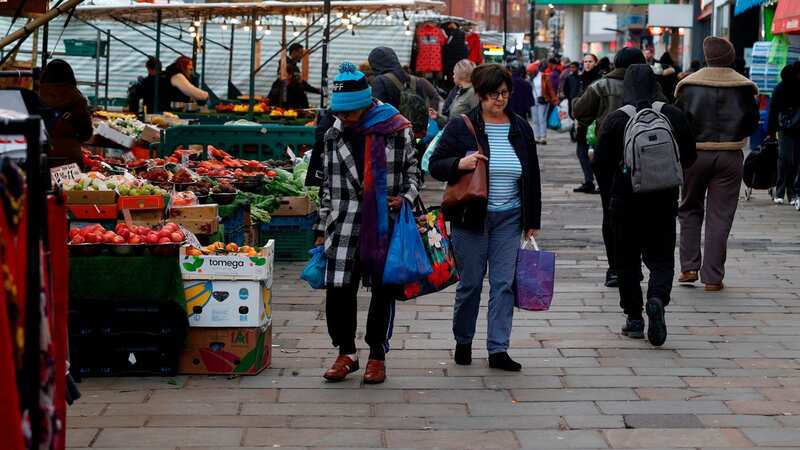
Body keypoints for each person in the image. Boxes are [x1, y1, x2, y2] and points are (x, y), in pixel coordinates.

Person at [429, 64, 541, 372]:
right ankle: (463, 340)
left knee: (504, 284)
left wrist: (532, 218)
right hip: (471, 217)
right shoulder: (461, 126)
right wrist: (459, 163)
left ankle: (498, 349)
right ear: (480, 95)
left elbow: (532, 174)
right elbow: (435, 164)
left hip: (510, 218)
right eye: (493, 95)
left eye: (504, 94)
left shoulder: (520, 127)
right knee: (471, 284)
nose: (500, 100)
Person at [314, 63, 419, 384]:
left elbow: (413, 174)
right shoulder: (332, 132)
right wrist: (320, 231)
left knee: (383, 290)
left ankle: (377, 354)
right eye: (340, 113)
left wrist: (406, 199)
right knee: (338, 290)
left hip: (383, 224)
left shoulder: (396, 128)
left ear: (364, 105)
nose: (343, 119)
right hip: (342, 223)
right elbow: (326, 186)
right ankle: (346, 352)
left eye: (348, 113)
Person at [594, 64, 696, 347]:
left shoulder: (616, 119)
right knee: (662, 257)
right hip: (663, 199)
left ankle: (635, 318)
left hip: (624, 201)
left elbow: (600, 163)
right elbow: (689, 156)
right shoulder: (672, 114)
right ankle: (657, 297)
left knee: (626, 261)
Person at [573, 48, 666, 286]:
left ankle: (616, 268)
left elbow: (579, 111)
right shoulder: (653, 88)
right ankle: (644, 264)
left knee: (612, 212)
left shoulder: (601, 86)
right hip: (648, 158)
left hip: (609, 159)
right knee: (648, 212)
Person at [675, 37, 759, 292]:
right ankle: (713, 277)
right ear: (731, 57)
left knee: (689, 208)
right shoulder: (744, 87)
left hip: (695, 155)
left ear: (707, 56)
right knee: (720, 215)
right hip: (730, 155)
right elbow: (752, 123)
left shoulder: (688, 85)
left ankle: (689, 267)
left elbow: (679, 121)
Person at [38, 59, 93, 168]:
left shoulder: (36, 98)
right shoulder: (78, 100)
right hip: (71, 162)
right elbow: (86, 134)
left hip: (42, 159)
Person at [568, 53, 602, 194]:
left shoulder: (599, 79)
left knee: (595, 153)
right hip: (582, 123)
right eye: (585, 61)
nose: (587, 64)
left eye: (590, 61)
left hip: (595, 122)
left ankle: (599, 182)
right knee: (581, 152)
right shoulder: (580, 79)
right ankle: (589, 181)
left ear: (595, 63)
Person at [368, 47, 442, 111]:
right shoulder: (419, 80)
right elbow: (435, 97)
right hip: (418, 126)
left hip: (395, 126)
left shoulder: (380, 81)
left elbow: (377, 108)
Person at [767, 61, 800, 208]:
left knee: (794, 161)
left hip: (796, 128)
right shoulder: (780, 88)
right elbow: (773, 111)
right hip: (785, 128)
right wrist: (771, 132)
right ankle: (781, 192)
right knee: (785, 159)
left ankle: (791, 192)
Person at [268, 43, 322, 109]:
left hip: (293, 101)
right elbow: (294, 82)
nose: (302, 55)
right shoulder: (284, 63)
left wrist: (316, 90)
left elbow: (301, 83)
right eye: (300, 52)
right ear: (294, 52)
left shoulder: (295, 67)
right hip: (285, 101)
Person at [527, 62, 557, 144]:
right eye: (529, 72)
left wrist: (554, 99)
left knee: (541, 118)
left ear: (535, 71)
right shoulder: (529, 78)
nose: (530, 73)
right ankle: (537, 137)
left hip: (543, 100)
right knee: (535, 119)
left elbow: (550, 88)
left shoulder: (544, 76)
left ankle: (543, 137)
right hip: (532, 101)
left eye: (531, 72)